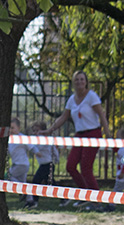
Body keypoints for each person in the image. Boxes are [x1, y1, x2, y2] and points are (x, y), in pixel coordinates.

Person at [44, 70, 110, 202]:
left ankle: (96, 200)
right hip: (79, 135)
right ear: (73, 83)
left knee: (86, 168)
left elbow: (101, 115)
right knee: (70, 166)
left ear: (86, 82)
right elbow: (64, 117)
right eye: (77, 80)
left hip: (93, 134)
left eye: (82, 79)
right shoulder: (71, 99)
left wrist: (108, 135)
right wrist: (49, 130)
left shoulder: (91, 96)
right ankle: (85, 194)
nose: (79, 82)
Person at [25, 121, 60, 209]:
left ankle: (34, 201)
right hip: (45, 164)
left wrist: (29, 145)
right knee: (49, 183)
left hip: (47, 165)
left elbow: (38, 148)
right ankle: (64, 198)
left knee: (36, 181)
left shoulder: (43, 140)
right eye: (34, 131)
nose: (35, 133)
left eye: (37, 130)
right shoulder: (44, 139)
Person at [8, 118, 34, 207]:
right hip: (17, 163)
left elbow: (31, 146)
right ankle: (30, 201)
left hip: (22, 164)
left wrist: (37, 152)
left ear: (19, 128)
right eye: (9, 128)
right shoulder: (10, 139)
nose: (11, 130)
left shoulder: (22, 137)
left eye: (13, 128)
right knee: (23, 182)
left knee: (9, 176)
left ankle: (23, 192)